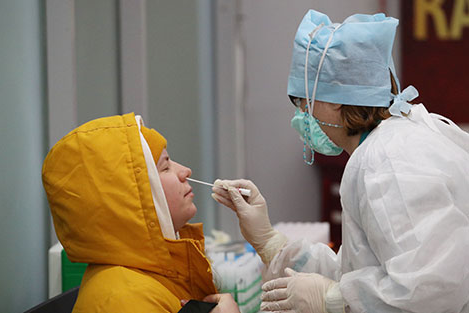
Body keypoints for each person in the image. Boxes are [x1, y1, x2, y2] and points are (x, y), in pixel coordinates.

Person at [211, 9, 469, 313]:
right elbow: (363, 269)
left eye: (303, 101)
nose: (301, 115)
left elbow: (428, 290)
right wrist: (271, 242)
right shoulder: (397, 138)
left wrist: (334, 299)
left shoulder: (388, 161)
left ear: (335, 99)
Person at [42, 113, 227, 312]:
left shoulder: (155, 273)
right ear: (126, 197)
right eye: (165, 166)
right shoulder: (122, 301)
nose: (185, 171)